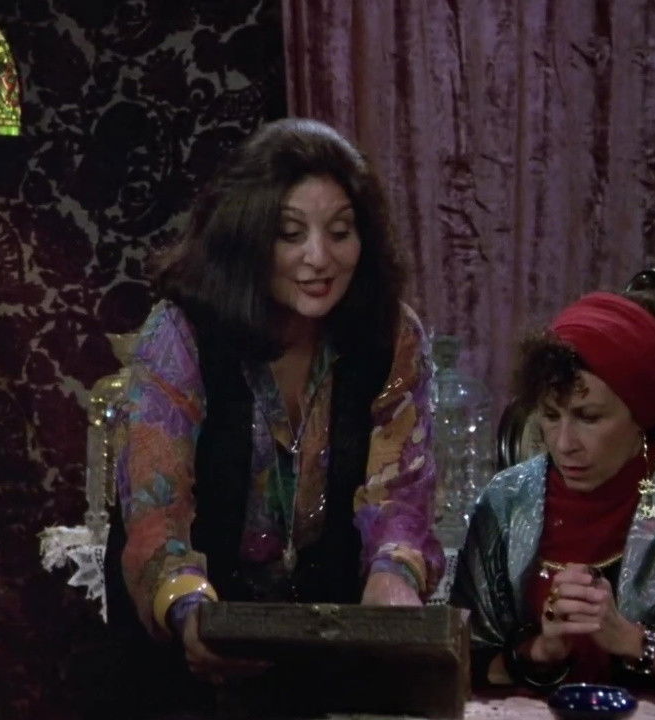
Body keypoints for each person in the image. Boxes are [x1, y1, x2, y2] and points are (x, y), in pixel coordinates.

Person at [111, 118, 443, 691]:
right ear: (247, 236)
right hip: (192, 659)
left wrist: (393, 582)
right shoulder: (182, 333)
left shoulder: (390, 336)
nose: (319, 258)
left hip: (334, 648)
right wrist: (194, 615)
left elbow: (400, 496)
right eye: (290, 233)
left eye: (340, 232)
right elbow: (155, 513)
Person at [450, 291, 655, 697]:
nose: (564, 443)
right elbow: (461, 661)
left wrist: (635, 643)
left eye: (589, 417)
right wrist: (541, 651)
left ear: (643, 418)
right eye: (551, 416)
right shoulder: (506, 501)